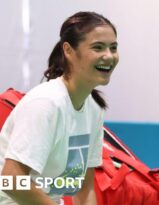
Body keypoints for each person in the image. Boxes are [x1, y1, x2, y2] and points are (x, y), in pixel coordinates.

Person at [0, 11, 119, 205]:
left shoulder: (94, 110)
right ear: (69, 50)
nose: (109, 56)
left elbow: (83, 188)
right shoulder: (46, 103)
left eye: (113, 48)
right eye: (98, 48)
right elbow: (12, 180)